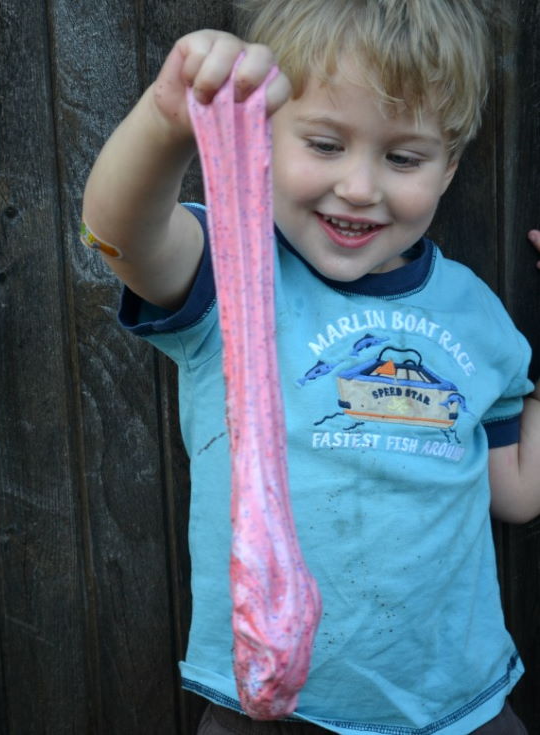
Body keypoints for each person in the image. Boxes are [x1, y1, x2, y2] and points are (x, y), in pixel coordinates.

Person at [81, 1, 540, 732]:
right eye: (325, 144)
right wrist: (170, 120)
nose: (359, 185)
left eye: (402, 157)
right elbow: (116, 236)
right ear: (263, 135)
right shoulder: (229, 268)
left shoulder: (476, 314)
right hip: (266, 707)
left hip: (458, 706)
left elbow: (516, 491)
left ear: (449, 167)